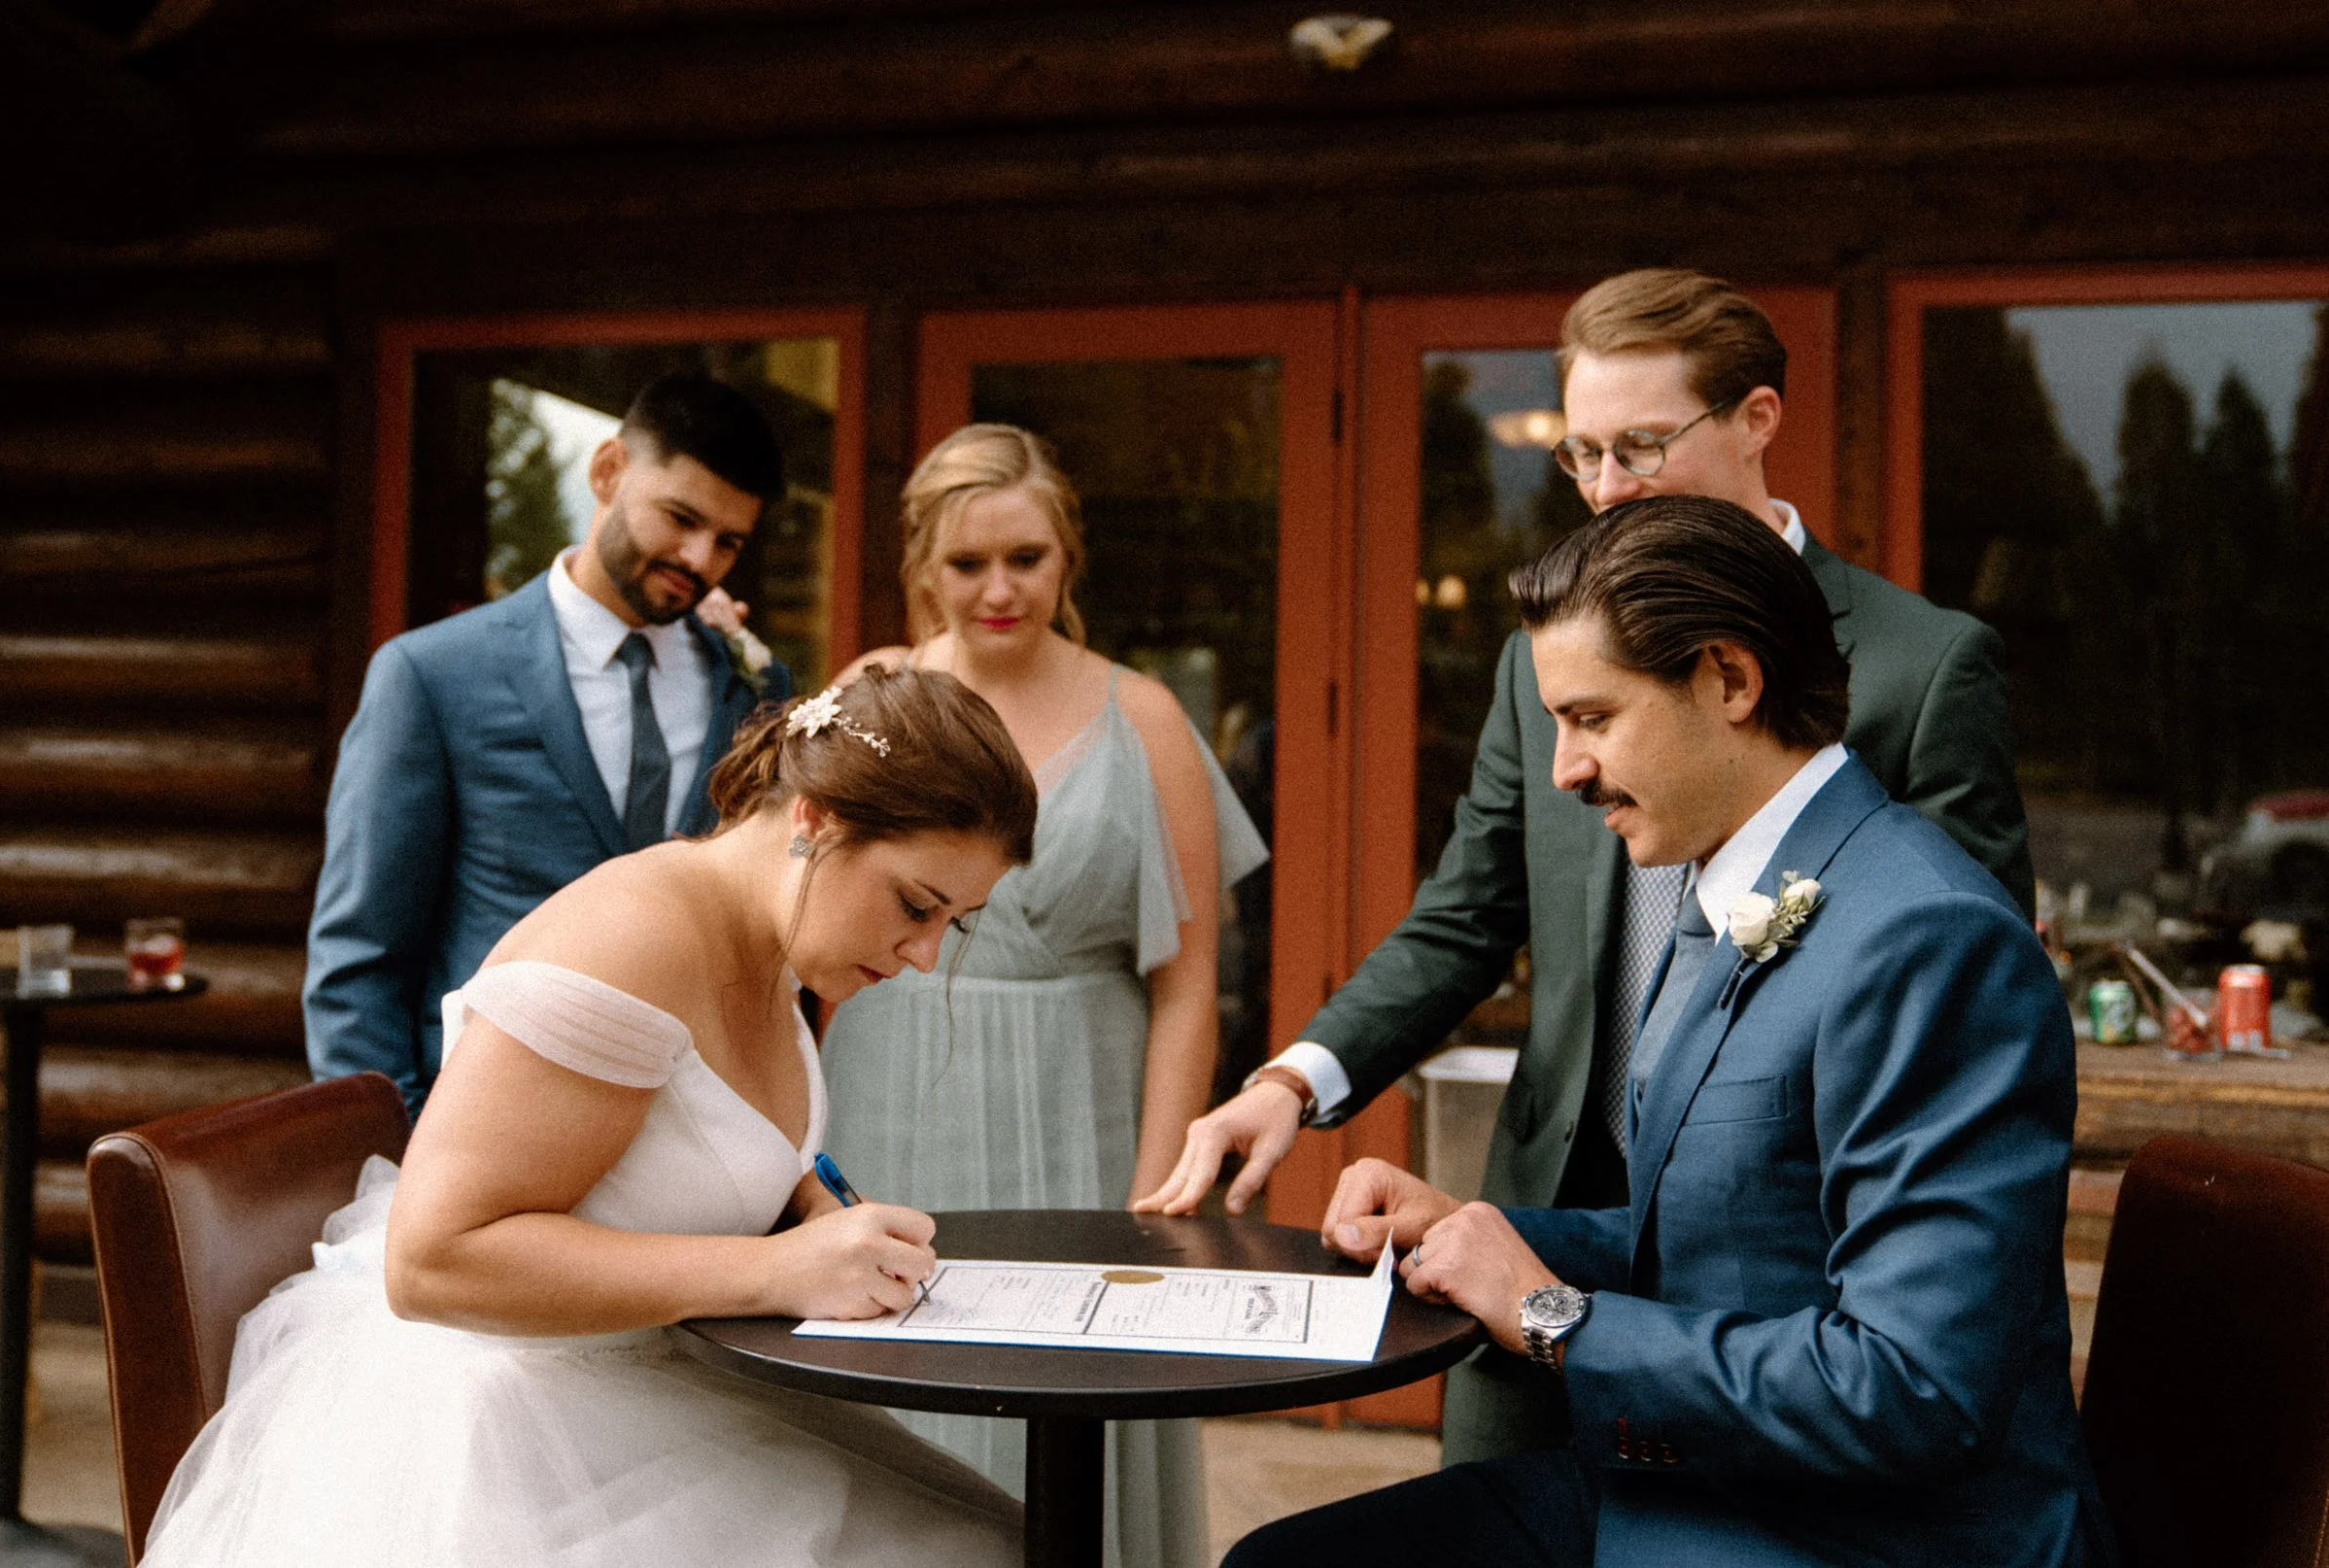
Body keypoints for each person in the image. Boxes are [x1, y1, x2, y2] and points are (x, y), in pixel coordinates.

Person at [1139, 269, 2034, 1464]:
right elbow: (1468, 912)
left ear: (1756, 420)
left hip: (1790, 1268)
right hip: (1556, 1207)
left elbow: (1955, 1005)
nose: (1606, 489)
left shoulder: (1923, 665)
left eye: (1641, 448)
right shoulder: (1548, 660)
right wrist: (1294, 1083)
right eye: (1581, 456)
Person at [1226, 494, 2111, 1568]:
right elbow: (1725, 1246)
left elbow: (1913, 1389)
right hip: (1703, 1491)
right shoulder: (1736, 893)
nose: (1564, 769)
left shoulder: (1927, 938)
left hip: (1864, 1539)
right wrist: (1473, 1234)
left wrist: (1548, 1313)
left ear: (1730, 680)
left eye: (1594, 719)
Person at [144, 668, 1034, 1567]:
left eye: (954, 924)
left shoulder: (772, 935)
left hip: (656, 1386)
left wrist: (804, 1202)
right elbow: (432, 1262)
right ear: (817, 821)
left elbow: (683, 1134)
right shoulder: (630, 941)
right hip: (507, 1424)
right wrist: (774, 1271)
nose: (925, 955)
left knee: (1002, 1540)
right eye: (916, 905)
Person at [819, 425, 1267, 1568]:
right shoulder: (872, 696)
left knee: (1073, 1397)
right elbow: (800, 933)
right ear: (923, 564)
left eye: (1025, 557)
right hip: (888, 1097)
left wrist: (1156, 1204)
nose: (998, 589)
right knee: (886, 1404)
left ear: (1067, 556)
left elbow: (1188, 985)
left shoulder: (1143, 717)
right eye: (966, 563)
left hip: (1084, 1108)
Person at [306, 370, 793, 1114]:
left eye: (728, 542)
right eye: (680, 518)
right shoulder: (434, 675)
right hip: (482, 1116)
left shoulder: (751, 685)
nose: (699, 559)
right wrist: (401, 1148)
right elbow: (358, 959)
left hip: (685, 1118)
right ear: (608, 471)